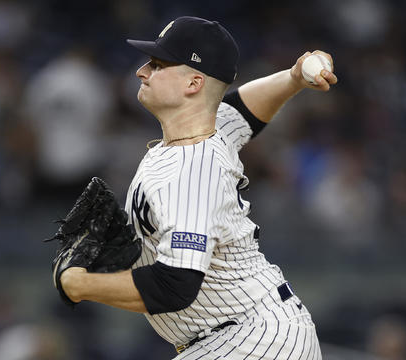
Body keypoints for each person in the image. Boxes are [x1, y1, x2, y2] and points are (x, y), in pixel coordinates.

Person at [59, 16, 338, 359]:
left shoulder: (190, 169)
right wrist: (293, 78)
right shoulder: (206, 129)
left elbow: (175, 285)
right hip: (247, 335)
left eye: (158, 64)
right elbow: (244, 110)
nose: (142, 71)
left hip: (252, 339)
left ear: (193, 83)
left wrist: (79, 285)